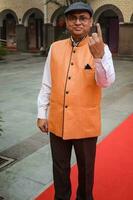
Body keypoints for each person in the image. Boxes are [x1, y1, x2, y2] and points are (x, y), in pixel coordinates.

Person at [37, 2, 115, 200]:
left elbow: (106, 82)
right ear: (66, 23)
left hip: (85, 123)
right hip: (57, 121)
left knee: (86, 172)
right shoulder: (55, 48)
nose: (78, 22)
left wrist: (98, 58)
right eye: (73, 18)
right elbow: (47, 83)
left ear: (90, 22)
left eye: (83, 18)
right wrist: (41, 113)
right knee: (60, 170)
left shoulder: (102, 48)